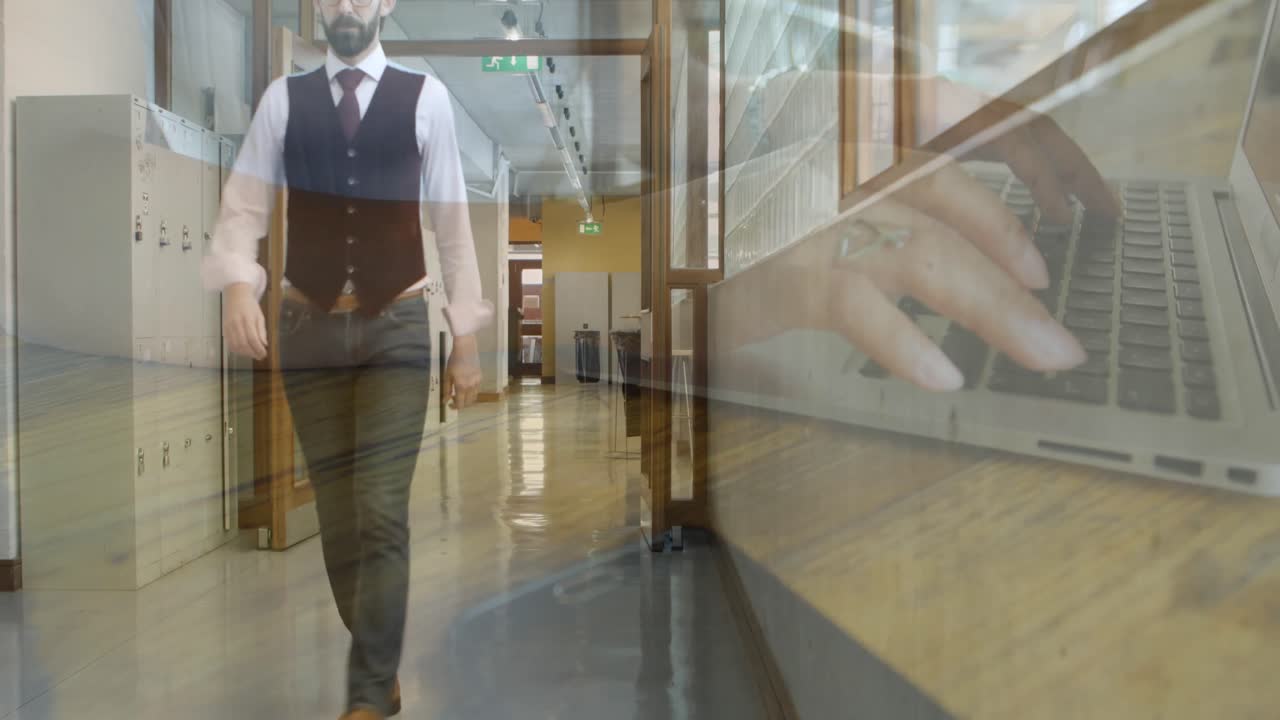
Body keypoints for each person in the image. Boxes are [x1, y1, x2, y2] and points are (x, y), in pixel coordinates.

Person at [201, 0, 492, 717]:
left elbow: (452, 223)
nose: (346, 5)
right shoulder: (283, 101)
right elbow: (242, 209)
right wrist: (238, 287)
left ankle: (367, 695)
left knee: (380, 510)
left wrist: (465, 337)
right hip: (309, 330)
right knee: (337, 521)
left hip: (398, 329)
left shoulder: (427, 99)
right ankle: (378, 662)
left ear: (385, 3)